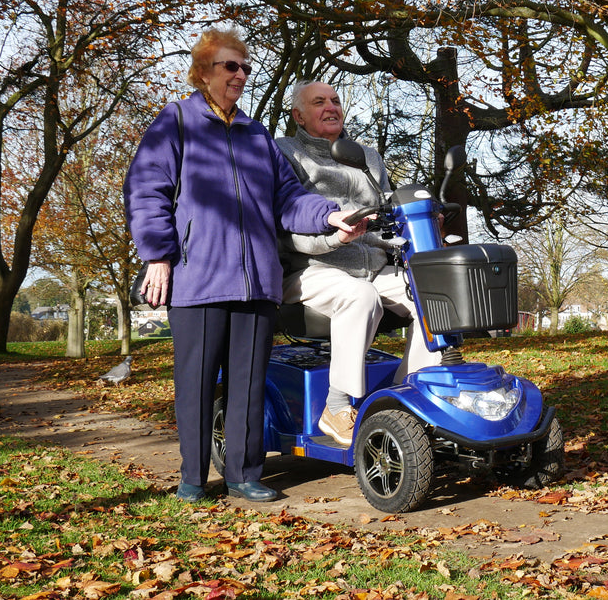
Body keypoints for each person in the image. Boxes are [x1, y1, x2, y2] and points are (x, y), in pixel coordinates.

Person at [124, 30, 366, 503]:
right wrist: (157, 256)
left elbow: (288, 198)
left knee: (249, 384)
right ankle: (193, 478)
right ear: (204, 71)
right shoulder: (176, 121)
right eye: (230, 66)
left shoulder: (258, 135)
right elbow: (146, 190)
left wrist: (329, 214)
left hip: (257, 281)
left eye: (246, 68)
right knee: (196, 385)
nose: (240, 75)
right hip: (197, 279)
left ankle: (243, 474)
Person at [277, 80, 442, 447]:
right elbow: (286, 219)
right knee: (360, 296)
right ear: (298, 116)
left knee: (434, 296)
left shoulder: (366, 156)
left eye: (335, 100)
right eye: (319, 102)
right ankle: (336, 406)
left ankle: (405, 399)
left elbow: (388, 213)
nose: (330, 107)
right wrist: (336, 236)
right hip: (309, 268)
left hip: (372, 265)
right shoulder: (285, 152)